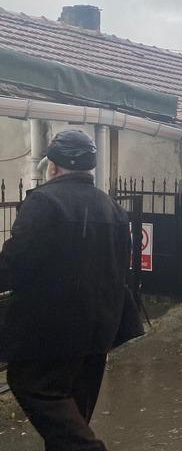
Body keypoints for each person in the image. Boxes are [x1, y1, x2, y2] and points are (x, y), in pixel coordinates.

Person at [0, 129, 143, 451]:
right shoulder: (112, 208)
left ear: (52, 166)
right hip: (100, 327)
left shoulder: (43, 202)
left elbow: (15, 263)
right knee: (74, 413)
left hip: (50, 331)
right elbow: (120, 266)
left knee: (33, 385)